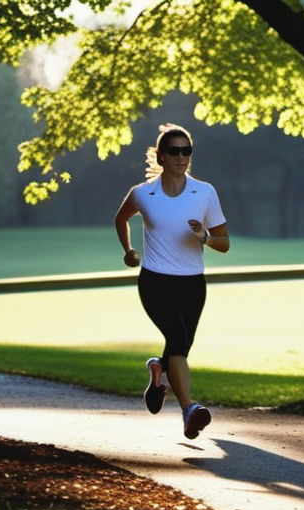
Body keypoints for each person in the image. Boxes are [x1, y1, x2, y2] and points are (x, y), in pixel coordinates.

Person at [114, 123, 230, 440]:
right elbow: (120, 218)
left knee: (181, 347)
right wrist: (128, 250)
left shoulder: (204, 192)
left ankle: (158, 370)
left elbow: (224, 242)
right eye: (175, 151)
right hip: (155, 281)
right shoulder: (142, 193)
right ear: (161, 156)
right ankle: (189, 410)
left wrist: (203, 236)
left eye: (187, 151)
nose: (182, 156)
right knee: (178, 338)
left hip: (193, 284)